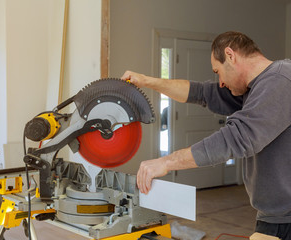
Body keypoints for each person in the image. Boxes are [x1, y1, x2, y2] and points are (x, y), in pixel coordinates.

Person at [121, 31, 291, 239]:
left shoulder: (281, 80)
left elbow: (237, 138)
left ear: (230, 55)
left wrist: (166, 162)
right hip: (274, 217)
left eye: (217, 71)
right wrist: (146, 81)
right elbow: (200, 93)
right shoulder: (254, 89)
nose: (220, 82)